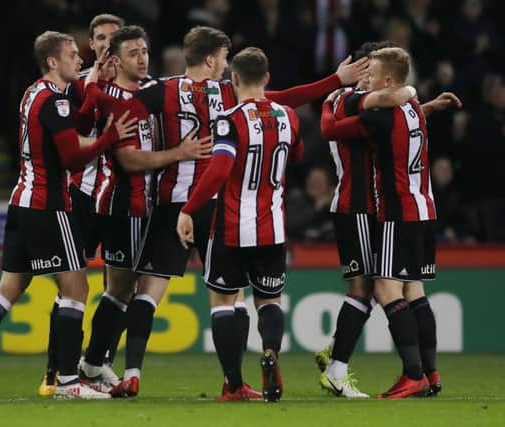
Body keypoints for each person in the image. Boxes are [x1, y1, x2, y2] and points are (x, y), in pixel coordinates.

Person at [84, 25, 368, 399]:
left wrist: (92, 85)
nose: (224, 66)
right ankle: (233, 381)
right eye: (221, 58)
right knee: (230, 297)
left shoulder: (162, 90)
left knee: (148, 292)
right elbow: (282, 98)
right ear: (210, 59)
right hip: (218, 207)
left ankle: (132, 372)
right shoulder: (227, 92)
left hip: (173, 204)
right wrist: (334, 80)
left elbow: (115, 108)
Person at [0, 31, 136, 400]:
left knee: (9, 288)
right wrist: (109, 138)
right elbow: (71, 156)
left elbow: (71, 126)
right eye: (71, 55)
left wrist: (91, 87)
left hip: (21, 200)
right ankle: (68, 382)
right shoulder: (57, 102)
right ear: (53, 62)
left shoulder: (35, 93)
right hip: (48, 206)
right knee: (77, 288)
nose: (78, 60)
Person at [75, 25, 211, 393]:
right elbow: (129, 160)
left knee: (126, 291)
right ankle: (90, 364)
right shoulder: (117, 100)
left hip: (151, 205)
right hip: (124, 202)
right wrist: (179, 154)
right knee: (120, 289)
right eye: (133, 53)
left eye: (145, 50)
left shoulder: (154, 90)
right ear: (116, 61)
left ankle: (95, 362)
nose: (143, 58)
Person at [320, 46, 460, 399]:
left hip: (392, 211)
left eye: (371, 71)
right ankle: (429, 374)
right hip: (421, 207)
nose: (364, 77)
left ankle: (411, 374)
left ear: (385, 79)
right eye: (362, 71)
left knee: (382, 289)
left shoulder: (379, 110)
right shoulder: (407, 108)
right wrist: (418, 98)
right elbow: (400, 112)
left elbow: (331, 128)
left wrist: (325, 103)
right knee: (409, 289)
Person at [176, 47, 303, 401]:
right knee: (268, 300)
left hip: (231, 227)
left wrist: (188, 209)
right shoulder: (289, 116)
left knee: (222, 301)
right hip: (273, 227)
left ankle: (233, 384)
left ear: (233, 79)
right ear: (267, 78)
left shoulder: (228, 120)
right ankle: (271, 352)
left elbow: (218, 169)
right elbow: (300, 154)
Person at [37, 13, 124, 398]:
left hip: (123, 197)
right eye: (100, 37)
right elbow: (74, 130)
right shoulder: (76, 83)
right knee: (71, 284)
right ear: (92, 42)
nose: (107, 43)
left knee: (120, 285)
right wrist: (93, 83)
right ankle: (57, 370)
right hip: (84, 195)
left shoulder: (140, 86)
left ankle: (97, 360)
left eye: (114, 37)